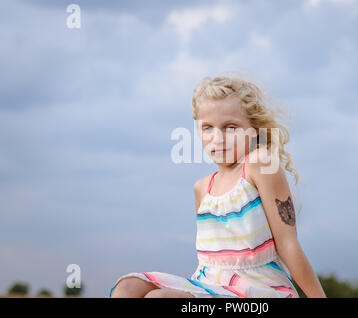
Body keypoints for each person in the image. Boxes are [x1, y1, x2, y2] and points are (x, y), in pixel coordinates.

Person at [109, 75, 326, 298]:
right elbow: (209, 262)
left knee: (159, 297)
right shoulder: (202, 188)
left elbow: (288, 245)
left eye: (230, 127)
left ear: (253, 129)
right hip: (211, 287)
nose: (218, 138)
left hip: (259, 290)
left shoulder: (260, 164)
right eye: (207, 128)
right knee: (127, 287)